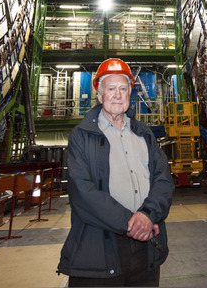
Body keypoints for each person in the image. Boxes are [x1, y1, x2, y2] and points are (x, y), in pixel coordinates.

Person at [58, 58, 174, 286]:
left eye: (123, 88)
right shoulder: (81, 136)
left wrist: (148, 215)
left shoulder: (145, 134)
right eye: (111, 89)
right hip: (98, 249)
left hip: (146, 249)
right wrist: (131, 223)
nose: (118, 94)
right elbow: (82, 192)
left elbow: (164, 180)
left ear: (130, 93)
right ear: (100, 95)